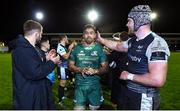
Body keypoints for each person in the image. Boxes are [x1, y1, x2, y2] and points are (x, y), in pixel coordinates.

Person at [97, 5, 170, 110]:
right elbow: (117, 46)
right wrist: (101, 40)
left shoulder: (156, 43)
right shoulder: (133, 41)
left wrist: (129, 76)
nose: (127, 24)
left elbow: (158, 80)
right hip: (128, 92)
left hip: (144, 97)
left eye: (129, 21)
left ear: (139, 21)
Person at [12, 20, 60, 109]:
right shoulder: (23, 49)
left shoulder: (31, 48)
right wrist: (53, 62)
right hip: (29, 99)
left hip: (36, 95)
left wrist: (47, 59)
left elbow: (33, 65)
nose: (41, 36)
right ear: (36, 34)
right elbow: (35, 73)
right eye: (41, 33)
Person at [69, 24, 108, 110]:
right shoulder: (76, 49)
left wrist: (95, 71)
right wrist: (80, 69)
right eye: (86, 33)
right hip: (80, 86)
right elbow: (70, 66)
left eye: (91, 33)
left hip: (94, 86)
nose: (89, 35)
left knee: (94, 108)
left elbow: (105, 68)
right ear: (83, 35)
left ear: (95, 35)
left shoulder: (99, 49)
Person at [108, 31, 128, 110]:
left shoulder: (119, 49)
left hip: (118, 76)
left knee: (118, 98)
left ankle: (117, 105)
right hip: (127, 78)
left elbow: (112, 63)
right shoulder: (131, 47)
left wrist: (109, 57)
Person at [56, 34, 76, 105]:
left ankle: (62, 96)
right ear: (64, 38)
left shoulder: (63, 46)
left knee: (64, 83)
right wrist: (70, 49)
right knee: (62, 83)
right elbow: (66, 57)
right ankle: (60, 100)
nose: (67, 40)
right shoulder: (60, 46)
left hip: (64, 67)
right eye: (66, 38)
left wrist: (70, 48)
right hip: (62, 67)